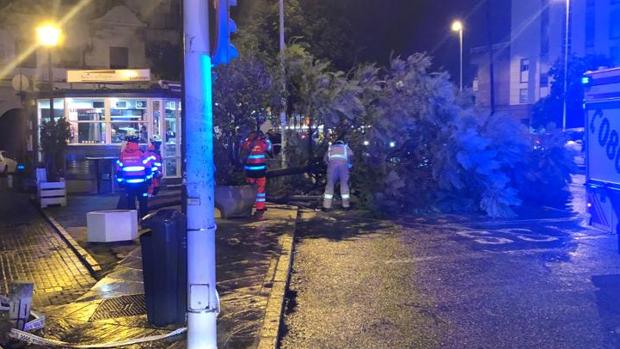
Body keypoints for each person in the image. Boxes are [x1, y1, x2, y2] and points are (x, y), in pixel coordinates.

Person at [116, 134, 152, 218]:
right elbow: (148, 169)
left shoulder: (123, 154)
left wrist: (120, 183)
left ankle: (132, 221)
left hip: (128, 184)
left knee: (130, 203)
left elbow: (119, 171)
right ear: (137, 143)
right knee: (143, 203)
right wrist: (149, 181)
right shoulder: (142, 153)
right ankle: (144, 221)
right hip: (141, 184)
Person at [241, 131, 272, 219]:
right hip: (260, 171)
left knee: (249, 190)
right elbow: (269, 148)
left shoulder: (247, 143)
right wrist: (266, 139)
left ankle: (247, 209)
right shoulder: (262, 143)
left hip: (250, 171)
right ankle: (259, 210)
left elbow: (242, 149)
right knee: (260, 192)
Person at [323, 137, 354, 210]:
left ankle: (326, 206)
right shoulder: (346, 147)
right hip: (343, 166)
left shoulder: (330, 148)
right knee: (344, 184)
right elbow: (351, 157)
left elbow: (325, 159)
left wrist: (329, 164)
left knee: (330, 185)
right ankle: (346, 206)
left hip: (332, 166)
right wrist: (350, 165)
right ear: (342, 143)